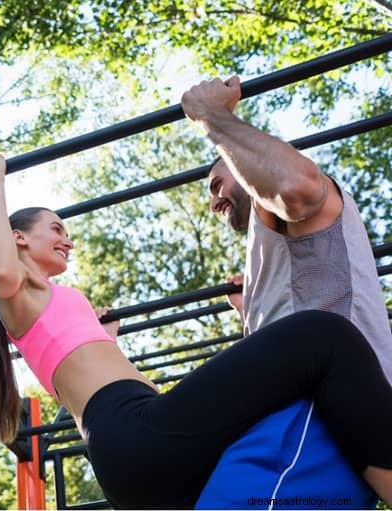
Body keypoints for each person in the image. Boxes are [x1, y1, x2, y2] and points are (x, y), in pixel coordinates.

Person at [0, 151, 392, 508]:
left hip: (133, 455)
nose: (68, 240)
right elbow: (0, 270)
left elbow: (84, 370)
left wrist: (108, 339)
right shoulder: (17, 292)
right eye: (57, 228)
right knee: (325, 336)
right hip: (133, 434)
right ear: (18, 238)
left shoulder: (47, 305)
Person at [181, 76, 392, 508]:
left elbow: (295, 189)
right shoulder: (269, 247)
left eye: (216, 180)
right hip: (336, 431)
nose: (214, 199)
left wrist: (211, 117)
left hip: (309, 423)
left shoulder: (290, 200)